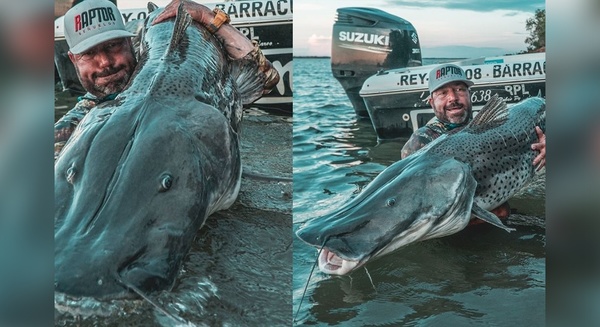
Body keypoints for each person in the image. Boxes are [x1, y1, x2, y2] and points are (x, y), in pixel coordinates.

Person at [54, 0, 279, 158]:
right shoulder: (72, 128)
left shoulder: (177, 80)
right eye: (89, 53)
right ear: (74, 59)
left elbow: (265, 79)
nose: (104, 62)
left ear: (130, 43)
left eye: (113, 46)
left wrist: (210, 18)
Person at [401, 63, 546, 220]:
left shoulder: (488, 125)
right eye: (443, 93)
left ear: (469, 94)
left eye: (459, 90)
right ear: (431, 102)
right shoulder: (421, 142)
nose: (453, 98)